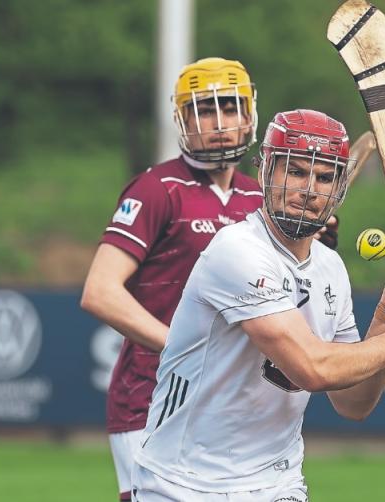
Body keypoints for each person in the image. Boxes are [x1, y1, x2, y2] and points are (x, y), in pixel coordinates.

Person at [131, 109, 385, 502]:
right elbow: (313, 369)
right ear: (265, 171)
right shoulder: (237, 251)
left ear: (339, 188)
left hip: (278, 484)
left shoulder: (331, 268)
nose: (309, 189)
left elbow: (353, 403)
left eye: (324, 177)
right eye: (295, 172)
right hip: (183, 483)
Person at [80, 58, 337, 502]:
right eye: (204, 110)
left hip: (228, 402)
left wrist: (310, 239)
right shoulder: (158, 189)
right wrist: (179, 344)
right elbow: (100, 292)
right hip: (151, 396)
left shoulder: (262, 196)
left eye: (231, 108)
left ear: (250, 116)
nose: (219, 122)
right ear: (182, 120)